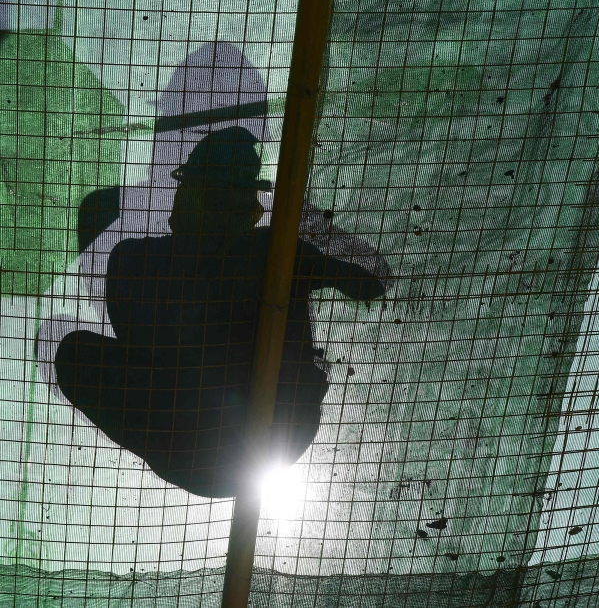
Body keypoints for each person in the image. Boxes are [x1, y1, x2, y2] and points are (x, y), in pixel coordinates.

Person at [54, 127, 385, 498]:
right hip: (231, 442)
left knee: (75, 353)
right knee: (76, 353)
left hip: (235, 444)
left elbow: (366, 282)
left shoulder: (258, 252)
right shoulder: (150, 260)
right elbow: (366, 282)